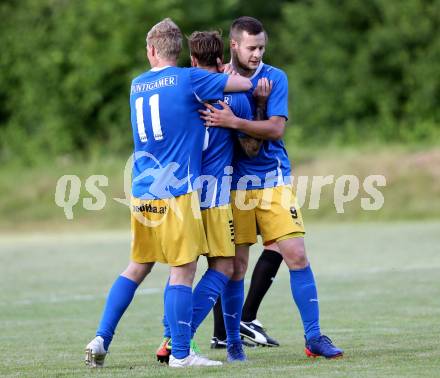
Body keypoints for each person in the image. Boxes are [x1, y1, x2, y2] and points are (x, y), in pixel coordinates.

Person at [84, 18, 251, 369]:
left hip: (143, 191)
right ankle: (179, 352)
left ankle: (101, 337)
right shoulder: (190, 80)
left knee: (137, 267)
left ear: (150, 51)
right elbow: (240, 83)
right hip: (178, 193)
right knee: (182, 271)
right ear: (180, 51)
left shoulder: (136, 85)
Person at [200, 16, 344, 359]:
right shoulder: (217, 81)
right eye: (251, 48)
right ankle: (233, 342)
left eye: (262, 47)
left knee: (295, 254)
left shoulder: (275, 77)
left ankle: (313, 338)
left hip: (272, 179)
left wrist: (235, 121)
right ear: (234, 46)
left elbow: (276, 130)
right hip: (232, 185)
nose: (257, 54)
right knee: (235, 266)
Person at [155, 30, 254, 364]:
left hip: (183, 192)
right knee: (224, 266)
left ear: (193, 61)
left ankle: (172, 335)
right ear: (221, 58)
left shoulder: (184, 93)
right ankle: (177, 338)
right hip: (215, 196)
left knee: (182, 270)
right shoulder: (232, 97)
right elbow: (252, 147)